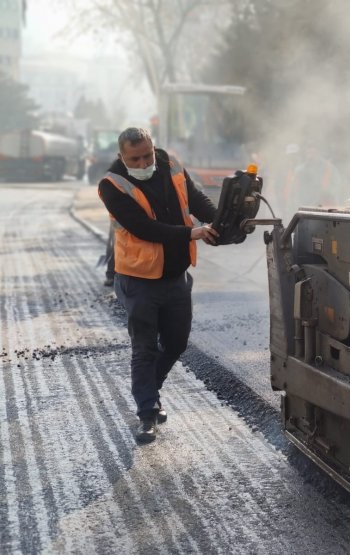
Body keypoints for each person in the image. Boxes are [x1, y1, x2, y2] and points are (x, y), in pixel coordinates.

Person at [98, 127, 219, 443]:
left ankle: (150, 391)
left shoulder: (170, 164)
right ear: (122, 157)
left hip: (175, 276)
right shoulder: (111, 185)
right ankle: (147, 414)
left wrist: (221, 221)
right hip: (139, 282)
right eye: (134, 159)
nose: (143, 163)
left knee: (177, 342)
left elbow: (195, 199)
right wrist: (190, 233)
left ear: (154, 147)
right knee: (145, 348)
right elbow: (143, 228)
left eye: (147, 155)